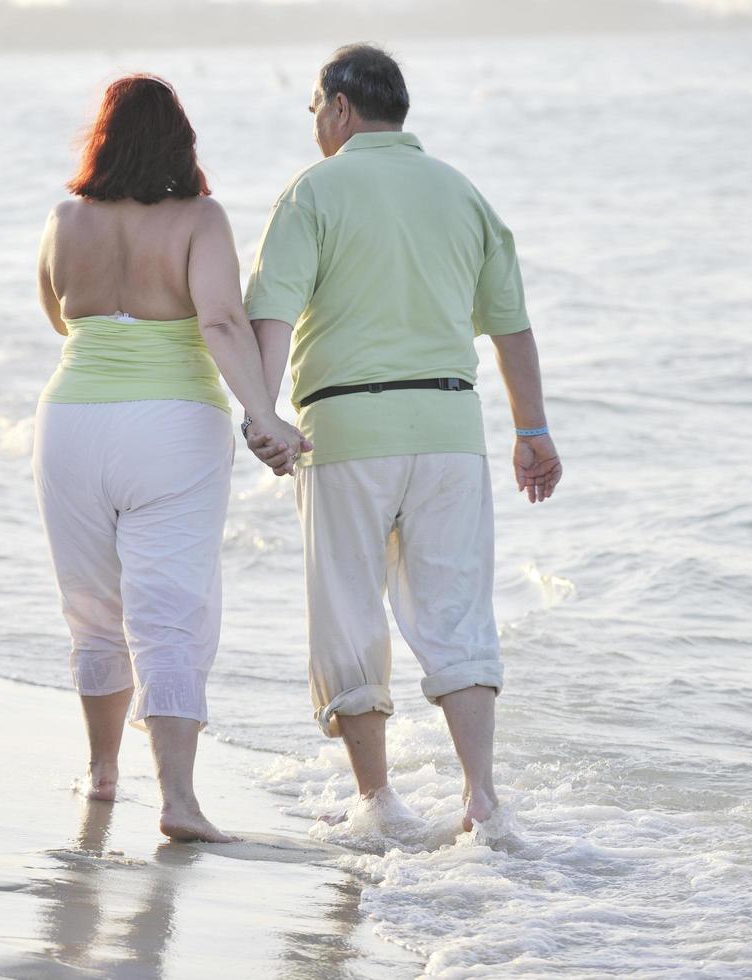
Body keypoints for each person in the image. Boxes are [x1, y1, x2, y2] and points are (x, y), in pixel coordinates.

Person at [243, 44, 562, 833]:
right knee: (457, 614)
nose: (315, 121)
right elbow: (511, 328)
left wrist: (266, 414)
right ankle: (481, 799)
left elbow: (271, 317)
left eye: (316, 106)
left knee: (349, 613)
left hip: (344, 432)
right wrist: (533, 430)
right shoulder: (461, 192)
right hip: (451, 431)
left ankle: (378, 800)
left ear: (342, 108)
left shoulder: (312, 192)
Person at [33, 74, 309, 843]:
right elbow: (221, 320)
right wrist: (266, 418)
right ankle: (179, 803)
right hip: (173, 428)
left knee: (92, 611)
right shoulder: (201, 218)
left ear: (102, 139)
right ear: (181, 140)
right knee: (169, 614)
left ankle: (103, 774)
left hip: (72, 422)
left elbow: (60, 317)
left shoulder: (64, 219)